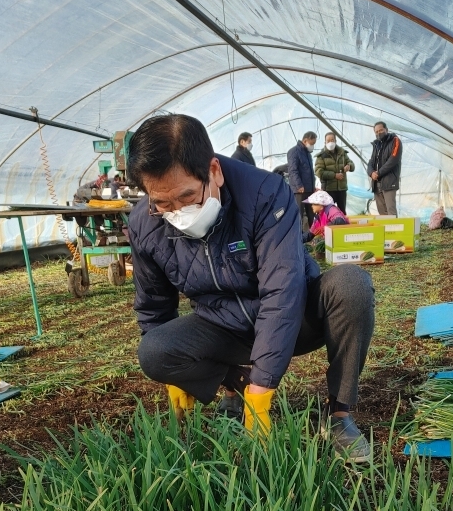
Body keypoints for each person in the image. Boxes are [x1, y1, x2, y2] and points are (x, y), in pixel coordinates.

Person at [126, 114, 375, 461]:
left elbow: (282, 291)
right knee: (154, 350)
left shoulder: (265, 194)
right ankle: (236, 385)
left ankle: (340, 415)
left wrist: (265, 384)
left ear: (213, 171)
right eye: (162, 203)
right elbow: (154, 307)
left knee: (351, 285)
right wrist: (173, 376)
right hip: (223, 328)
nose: (178, 212)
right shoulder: (144, 224)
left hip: (296, 318)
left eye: (187, 197)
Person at [367, 121, 402, 216]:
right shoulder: (376, 145)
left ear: (386, 130)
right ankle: (385, 231)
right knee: (382, 212)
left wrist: (378, 173)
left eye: (381, 130)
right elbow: (371, 161)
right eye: (376, 132)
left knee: (391, 211)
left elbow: (393, 160)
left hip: (389, 182)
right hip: (376, 183)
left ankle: (395, 231)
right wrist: (371, 172)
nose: (379, 133)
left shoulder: (395, 141)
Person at [314, 132, 354, 214]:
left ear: (336, 141)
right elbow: (318, 172)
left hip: (341, 189)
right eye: (328, 140)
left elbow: (351, 163)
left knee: (342, 213)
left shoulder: (342, 153)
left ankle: (343, 226)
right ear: (325, 142)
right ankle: (329, 227)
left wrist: (349, 166)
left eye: (332, 140)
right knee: (328, 213)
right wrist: (334, 175)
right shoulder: (321, 156)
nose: (330, 142)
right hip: (328, 189)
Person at [287, 131, 317, 229]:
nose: (312, 146)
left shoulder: (307, 154)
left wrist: (313, 186)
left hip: (309, 189)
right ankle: (298, 237)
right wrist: (299, 185)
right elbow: (293, 170)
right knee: (298, 214)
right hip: (299, 190)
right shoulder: (294, 152)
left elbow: (309, 172)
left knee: (311, 214)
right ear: (305, 140)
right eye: (312, 144)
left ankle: (313, 235)